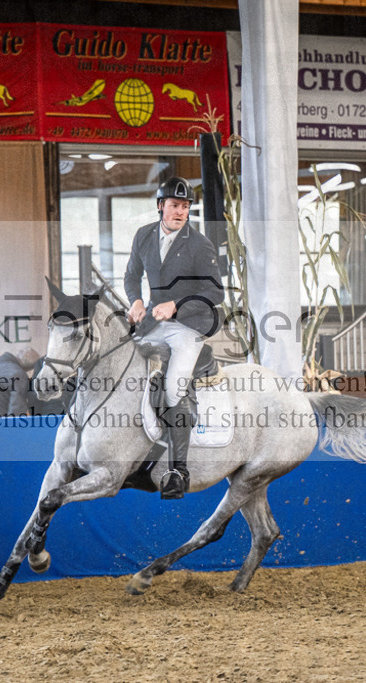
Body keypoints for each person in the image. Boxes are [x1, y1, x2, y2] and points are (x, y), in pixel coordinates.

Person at [124, 176, 224, 499]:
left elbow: (215, 292)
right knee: (128, 371)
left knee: (174, 386)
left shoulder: (199, 244)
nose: (180, 212)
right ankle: (140, 460)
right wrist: (135, 301)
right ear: (160, 206)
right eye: (174, 205)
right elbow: (131, 276)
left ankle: (178, 471)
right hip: (153, 321)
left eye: (185, 206)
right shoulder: (143, 236)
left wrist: (177, 305)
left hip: (189, 325)